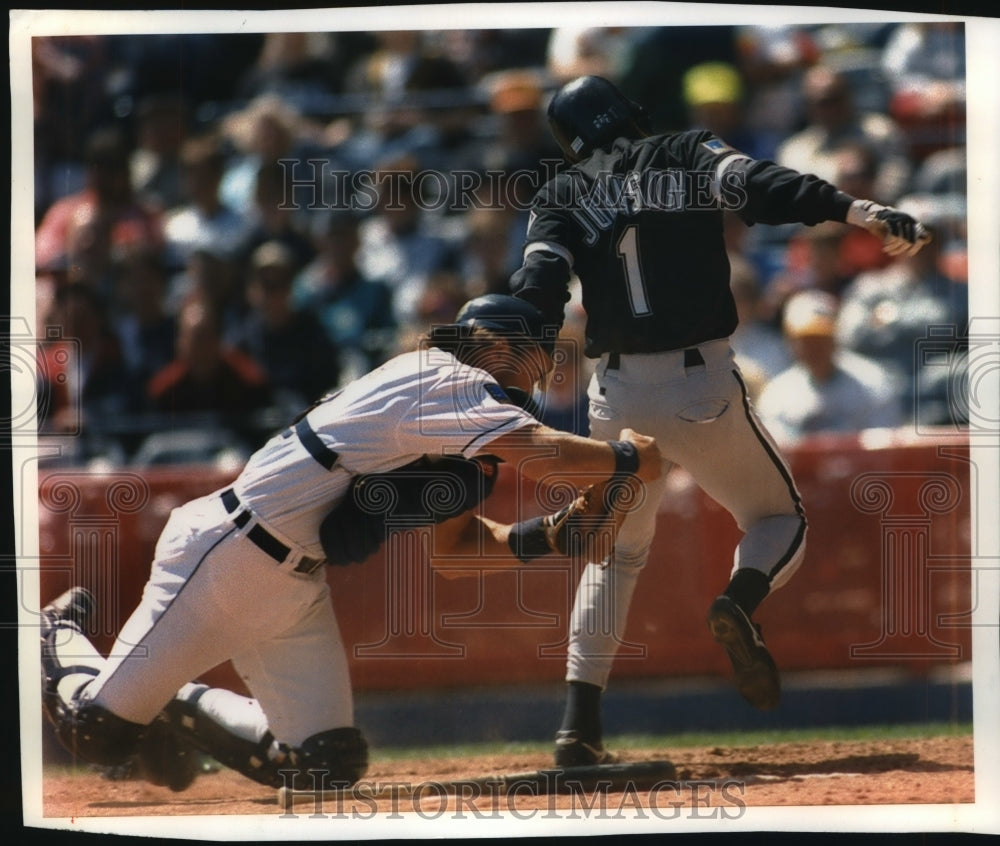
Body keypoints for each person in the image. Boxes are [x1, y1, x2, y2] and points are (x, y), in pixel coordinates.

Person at [40, 294, 661, 793]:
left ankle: (173, 700)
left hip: (293, 586)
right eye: (534, 352)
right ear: (494, 345)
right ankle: (53, 638)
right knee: (97, 734)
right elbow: (550, 459)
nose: (545, 367)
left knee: (325, 763)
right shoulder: (443, 376)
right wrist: (628, 458)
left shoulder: (462, 429)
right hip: (228, 553)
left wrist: (553, 534)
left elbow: (455, 554)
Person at [508, 75, 931, 767]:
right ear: (627, 114)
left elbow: (540, 289)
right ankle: (739, 600)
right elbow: (761, 185)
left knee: (616, 557)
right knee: (779, 518)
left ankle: (577, 727)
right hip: (697, 384)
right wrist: (856, 210)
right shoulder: (682, 150)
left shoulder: (559, 194)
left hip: (613, 394)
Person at [754, 290, 904, 444]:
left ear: (836, 338)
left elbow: (884, 446)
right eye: (805, 340)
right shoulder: (777, 395)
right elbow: (776, 452)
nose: (814, 348)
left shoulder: (872, 383)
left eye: (821, 339)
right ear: (790, 343)